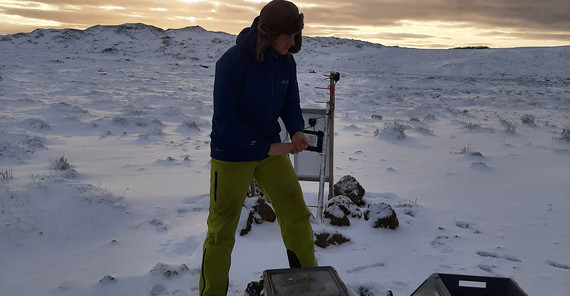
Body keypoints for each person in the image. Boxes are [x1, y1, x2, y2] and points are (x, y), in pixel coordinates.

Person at [199, 0, 318, 295]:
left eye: (296, 36)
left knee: (296, 215)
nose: (293, 43)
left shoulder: (286, 62)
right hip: (231, 155)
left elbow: (291, 103)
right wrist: (267, 147)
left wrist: (297, 130)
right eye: (288, 36)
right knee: (221, 232)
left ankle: (310, 285)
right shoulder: (232, 63)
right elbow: (225, 121)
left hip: (270, 151)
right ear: (269, 33)